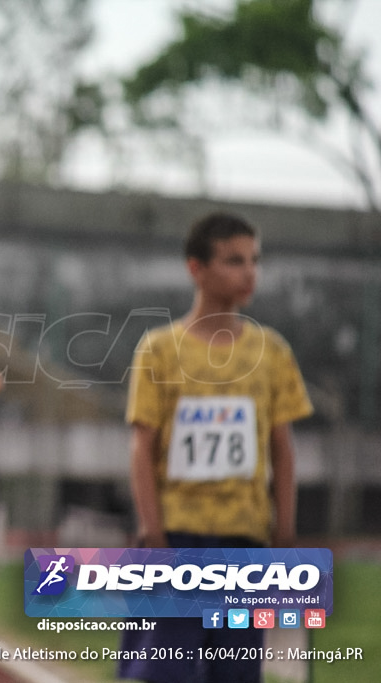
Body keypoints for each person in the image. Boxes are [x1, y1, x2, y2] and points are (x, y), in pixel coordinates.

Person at [118, 212, 313, 683]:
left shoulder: (272, 353)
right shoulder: (160, 349)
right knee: (162, 672)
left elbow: (282, 450)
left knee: (235, 673)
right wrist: (153, 532)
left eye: (254, 260)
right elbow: (142, 447)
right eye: (233, 260)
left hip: (244, 542)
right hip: (177, 536)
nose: (250, 272)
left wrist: (284, 534)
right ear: (196, 268)